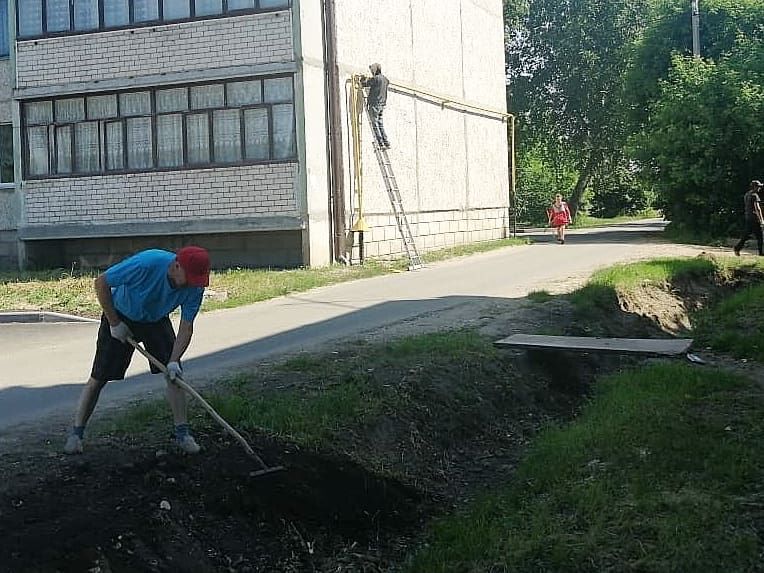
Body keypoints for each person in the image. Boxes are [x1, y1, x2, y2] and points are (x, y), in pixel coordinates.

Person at [64, 246, 211, 455]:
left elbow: (186, 327)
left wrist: (173, 360)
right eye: (190, 277)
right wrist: (114, 323)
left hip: (155, 319)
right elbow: (101, 283)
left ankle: (183, 435)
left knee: (175, 376)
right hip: (121, 313)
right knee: (99, 377)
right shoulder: (147, 264)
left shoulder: (194, 287)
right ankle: (76, 434)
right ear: (177, 265)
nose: (192, 284)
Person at [362, 63, 391, 149]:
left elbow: (365, 84)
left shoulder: (376, 79)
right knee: (380, 123)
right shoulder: (385, 79)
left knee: (375, 123)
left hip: (375, 104)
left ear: (375, 70)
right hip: (382, 104)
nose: (371, 72)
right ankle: (386, 142)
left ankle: (380, 142)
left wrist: (362, 80)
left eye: (372, 70)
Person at [734, 180, 764, 256]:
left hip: (748, 217)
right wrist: (761, 220)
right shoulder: (755, 195)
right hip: (754, 218)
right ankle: (761, 253)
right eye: (758, 187)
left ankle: (737, 248)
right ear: (754, 187)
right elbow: (757, 208)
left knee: (746, 235)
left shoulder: (747, 194)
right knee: (760, 236)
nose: (759, 188)